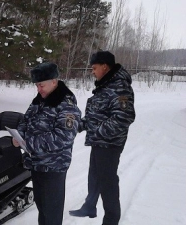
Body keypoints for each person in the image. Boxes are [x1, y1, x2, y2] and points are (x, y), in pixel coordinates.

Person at [69, 51, 136, 225]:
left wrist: (97, 132)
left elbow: (124, 117)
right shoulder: (106, 85)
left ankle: (111, 220)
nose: (92, 71)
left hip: (110, 143)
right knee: (95, 177)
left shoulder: (119, 86)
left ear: (105, 67)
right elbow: (96, 115)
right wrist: (79, 125)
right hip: (100, 142)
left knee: (108, 184)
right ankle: (89, 206)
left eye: (94, 68)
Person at [13, 62, 81, 225]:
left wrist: (27, 142)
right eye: (37, 85)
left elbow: (63, 137)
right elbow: (25, 120)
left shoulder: (67, 105)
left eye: (41, 85)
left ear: (54, 81)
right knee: (42, 208)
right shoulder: (39, 101)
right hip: (36, 164)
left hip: (54, 167)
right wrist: (19, 134)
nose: (39, 89)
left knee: (52, 213)